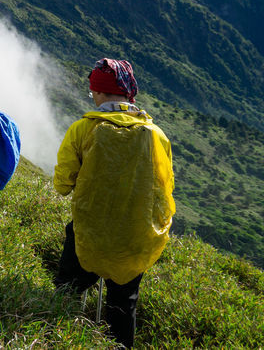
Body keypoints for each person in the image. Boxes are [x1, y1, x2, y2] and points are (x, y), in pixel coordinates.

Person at [53, 58, 175, 349]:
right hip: (135, 237)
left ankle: (57, 335)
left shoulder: (83, 129)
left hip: (89, 232)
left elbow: (62, 185)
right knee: (123, 305)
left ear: (99, 92)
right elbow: (164, 189)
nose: (92, 95)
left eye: (93, 90)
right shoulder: (156, 135)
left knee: (68, 288)